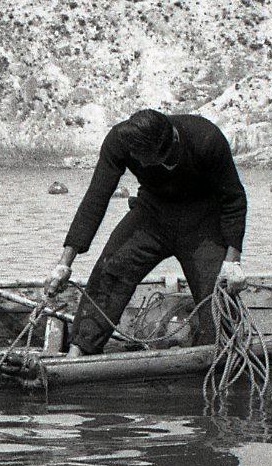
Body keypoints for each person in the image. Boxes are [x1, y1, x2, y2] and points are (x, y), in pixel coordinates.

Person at [44, 109, 247, 356]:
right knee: (111, 271)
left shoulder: (206, 138)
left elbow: (233, 199)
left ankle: (227, 356)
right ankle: (79, 351)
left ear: (172, 139)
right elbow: (96, 199)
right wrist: (64, 264)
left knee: (217, 296)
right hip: (152, 213)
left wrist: (232, 261)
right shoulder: (119, 140)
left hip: (202, 220)